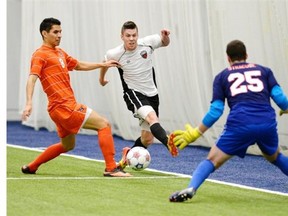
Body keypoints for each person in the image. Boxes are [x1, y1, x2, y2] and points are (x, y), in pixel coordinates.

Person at [169, 40, 288, 202]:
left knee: (212, 159)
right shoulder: (264, 71)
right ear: (246, 55)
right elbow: (281, 99)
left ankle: (192, 187)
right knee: (274, 156)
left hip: (240, 124)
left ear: (228, 58)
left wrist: (196, 132)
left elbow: (216, 111)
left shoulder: (222, 76)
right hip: (266, 122)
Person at [21, 17, 132, 177]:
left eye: (60, 32)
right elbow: (32, 78)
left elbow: (78, 65)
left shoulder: (59, 52)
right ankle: (111, 168)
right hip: (64, 106)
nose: (59, 35)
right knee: (104, 124)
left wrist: (102, 64)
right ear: (44, 33)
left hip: (57, 109)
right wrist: (29, 103)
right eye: (55, 32)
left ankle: (32, 166)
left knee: (67, 145)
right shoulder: (40, 55)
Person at [99, 21, 178, 170]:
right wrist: (101, 79)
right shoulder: (115, 53)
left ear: (137, 35)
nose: (131, 39)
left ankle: (126, 157)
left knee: (147, 139)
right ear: (122, 36)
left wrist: (165, 37)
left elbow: (164, 43)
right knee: (152, 118)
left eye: (134, 35)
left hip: (152, 94)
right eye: (128, 36)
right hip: (133, 94)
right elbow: (105, 62)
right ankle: (168, 142)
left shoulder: (147, 43)